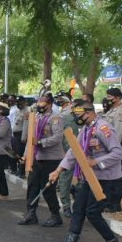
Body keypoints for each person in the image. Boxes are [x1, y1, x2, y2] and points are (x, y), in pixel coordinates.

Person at [47, 100, 122, 242]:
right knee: (78, 208)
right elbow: (74, 152)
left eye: (79, 115)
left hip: (107, 179)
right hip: (90, 178)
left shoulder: (103, 128)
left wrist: (97, 162)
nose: (77, 118)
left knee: (92, 212)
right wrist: (58, 171)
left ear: (90, 113)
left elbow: (119, 153)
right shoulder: (85, 129)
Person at [18, 93, 64, 227]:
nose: (39, 106)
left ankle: (55, 215)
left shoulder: (56, 118)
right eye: (38, 104)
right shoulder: (36, 117)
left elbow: (57, 138)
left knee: (48, 188)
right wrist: (26, 155)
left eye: (42, 104)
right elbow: (30, 139)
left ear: (49, 104)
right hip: (36, 157)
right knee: (32, 185)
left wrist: (40, 142)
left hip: (51, 158)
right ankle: (30, 213)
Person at [101, 88, 122, 213]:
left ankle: (115, 204)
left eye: (110, 97)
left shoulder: (120, 113)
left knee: (116, 177)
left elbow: (119, 132)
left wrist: (111, 148)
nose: (108, 99)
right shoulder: (110, 111)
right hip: (106, 148)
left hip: (114, 148)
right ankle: (108, 201)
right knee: (108, 176)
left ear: (117, 98)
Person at [55, 94, 78, 217]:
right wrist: (62, 152)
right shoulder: (64, 117)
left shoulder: (88, 120)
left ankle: (77, 198)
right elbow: (59, 136)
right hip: (68, 152)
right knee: (65, 179)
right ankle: (66, 206)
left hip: (84, 154)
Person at [11, 97, 29, 179]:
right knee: (17, 153)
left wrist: (24, 137)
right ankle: (19, 169)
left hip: (21, 135)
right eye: (17, 102)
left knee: (21, 154)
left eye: (20, 102)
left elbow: (26, 125)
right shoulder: (19, 111)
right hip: (15, 135)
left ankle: (22, 171)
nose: (18, 103)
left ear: (24, 102)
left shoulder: (26, 111)